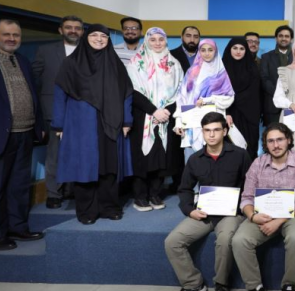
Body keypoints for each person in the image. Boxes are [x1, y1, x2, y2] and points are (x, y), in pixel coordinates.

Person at [164, 112, 251, 291]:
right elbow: (184, 189)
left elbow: (250, 186)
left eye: (216, 130)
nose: (211, 135)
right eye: (207, 130)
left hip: (231, 213)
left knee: (225, 239)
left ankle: (221, 284)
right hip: (204, 213)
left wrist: (242, 208)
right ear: (202, 132)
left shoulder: (240, 155)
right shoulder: (195, 159)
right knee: (172, 241)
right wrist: (190, 210)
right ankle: (192, 284)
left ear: (225, 131)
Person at [53, 24, 134, 225]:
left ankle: (109, 207)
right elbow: (60, 94)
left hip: (112, 121)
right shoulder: (71, 63)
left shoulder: (115, 64)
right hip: (81, 124)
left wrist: (127, 120)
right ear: (86, 37)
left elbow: (126, 93)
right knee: (84, 166)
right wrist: (59, 125)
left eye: (104, 36)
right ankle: (87, 210)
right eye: (95, 35)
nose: (99, 39)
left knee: (109, 166)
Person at [232, 122, 295, 291]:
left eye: (280, 140)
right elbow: (246, 197)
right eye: (271, 141)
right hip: (261, 215)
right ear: (266, 144)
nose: (276, 145)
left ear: (288, 140)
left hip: (293, 215)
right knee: (239, 240)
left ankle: (289, 288)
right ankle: (255, 289)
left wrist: (278, 221)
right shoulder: (257, 163)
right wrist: (253, 216)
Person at [126, 27, 184, 212]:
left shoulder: (174, 63)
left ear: (166, 41)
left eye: (161, 39)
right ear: (147, 41)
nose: (157, 43)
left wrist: (165, 111)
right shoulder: (136, 62)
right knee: (143, 157)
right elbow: (133, 91)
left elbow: (180, 91)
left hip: (167, 116)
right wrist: (153, 111)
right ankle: (140, 196)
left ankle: (155, 194)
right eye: (153, 39)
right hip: (143, 115)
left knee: (162, 157)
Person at [0, 19, 44, 250]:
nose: (11, 38)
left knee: (19, 185)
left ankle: (18, 228)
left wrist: (39, 125)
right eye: (6, 34)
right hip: (3, 135)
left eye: (16, 35)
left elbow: (34, 94)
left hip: (25, 132)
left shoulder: (23, 61)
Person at [32, 15, 83, 209]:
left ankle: (73, 189)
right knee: (55, 154)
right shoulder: (45, 51)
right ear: (61, 30)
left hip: (82, 111)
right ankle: (54, 193)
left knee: (79, 151)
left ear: (82, 32)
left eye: (77, 28)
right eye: (69, 27)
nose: (73, 31)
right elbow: (34, 80)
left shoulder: (89, 51)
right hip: (53, 110)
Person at [173, 39, 235, 160]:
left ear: (215, 51)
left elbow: (229, 98)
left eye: (210, 50)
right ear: (199, 52)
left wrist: (208, 100)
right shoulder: (191, 72)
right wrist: (178, 122)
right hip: (191, 123)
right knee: (192, 160)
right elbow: (182, 98)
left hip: (214, 124)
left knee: (215, 161)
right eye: (203, 50)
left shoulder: (221, 73)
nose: (206, 53)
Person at [222, 37, 262, 161]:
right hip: (228, 115)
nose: (238, 51)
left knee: (249, 149)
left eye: (242, 48)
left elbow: (255, 94)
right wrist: (226, 112)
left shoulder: (252, 68)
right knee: (229, 150)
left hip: (249, 116)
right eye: (235, 48)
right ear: (229, 49)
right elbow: (219, 93)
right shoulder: (221, 69)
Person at [260, 25, 293, 127]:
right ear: (276, 38)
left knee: (291, 136)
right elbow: (264, 79)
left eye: (287, 36)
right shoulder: (266, 57)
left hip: (294, 105)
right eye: (281, 36)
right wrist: (280, 94)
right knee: (273, 134)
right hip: (272, 106)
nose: (283, 38)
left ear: (291, 39)